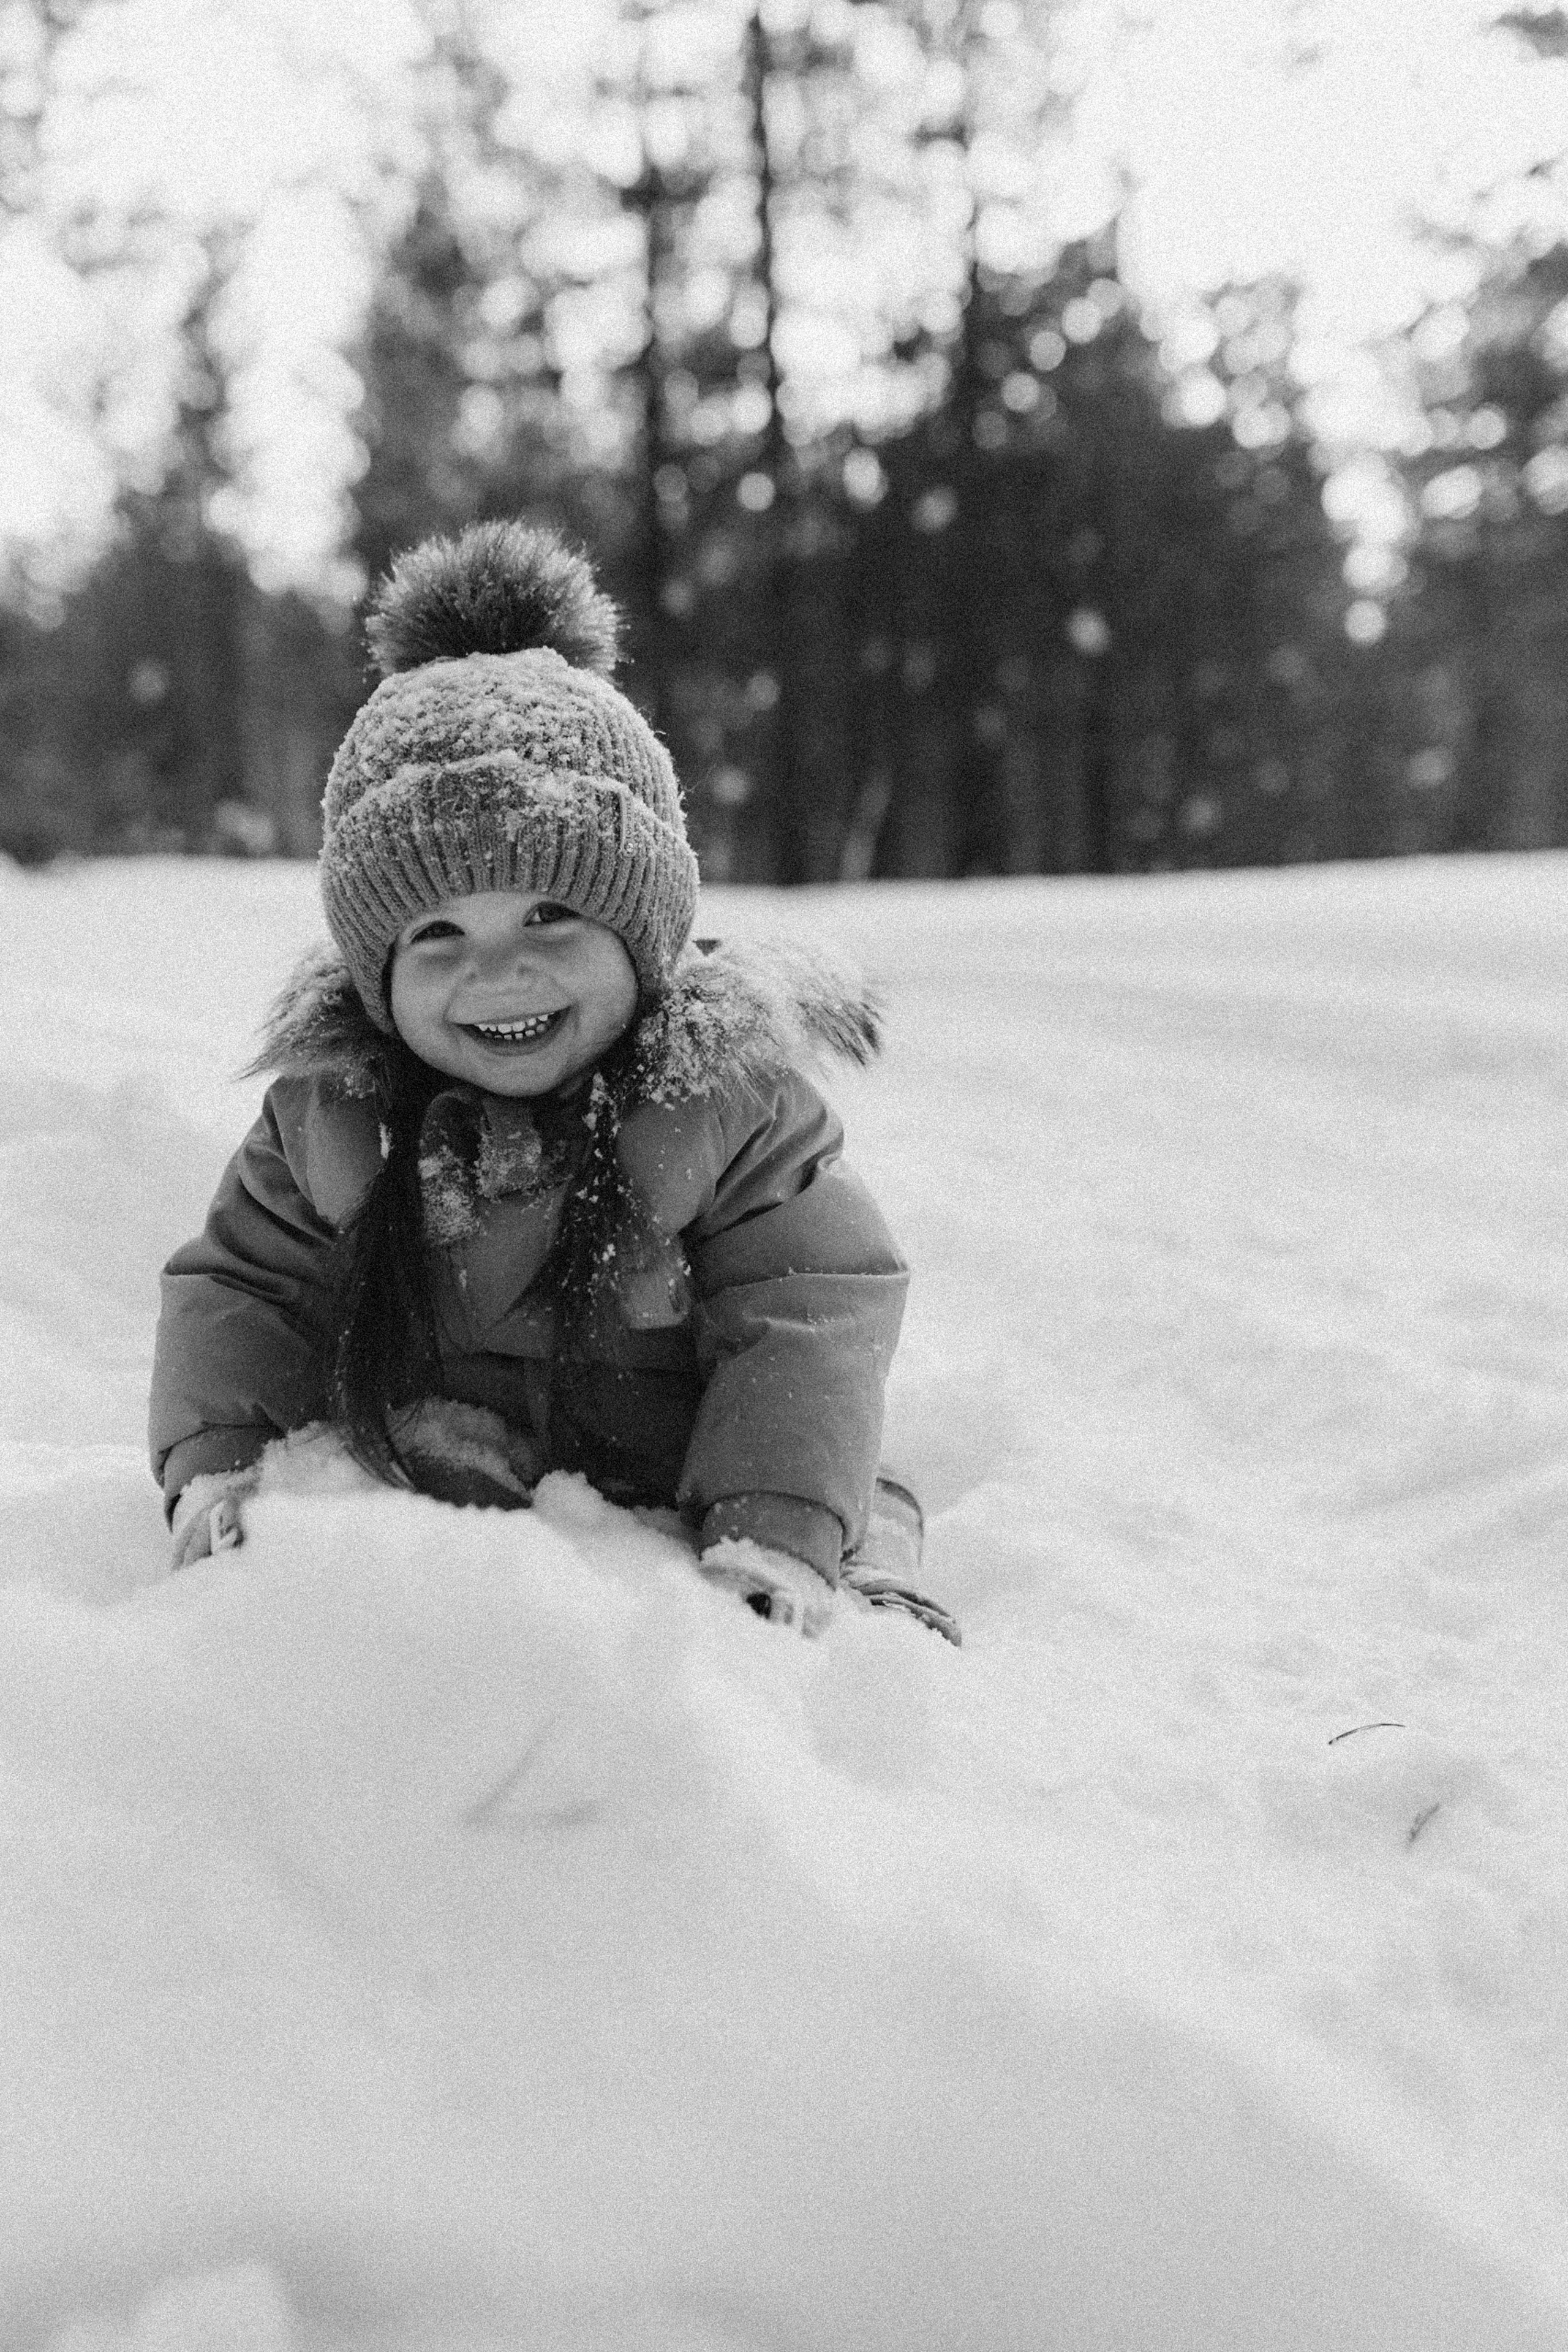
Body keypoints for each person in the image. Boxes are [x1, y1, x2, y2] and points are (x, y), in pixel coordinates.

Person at [149, 519, 957, 1643]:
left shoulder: (725, 1108)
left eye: (550, 913)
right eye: (437, 932)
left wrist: (767, 1526)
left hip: (686, 1470)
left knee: (836, 1493)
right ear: (376, 976)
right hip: (472, 1455)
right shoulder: (329, 1117)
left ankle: (853, 1538)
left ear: (644, 934)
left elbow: (810, 1310)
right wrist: (220, 1467)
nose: (499, 969)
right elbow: (250, 1290)